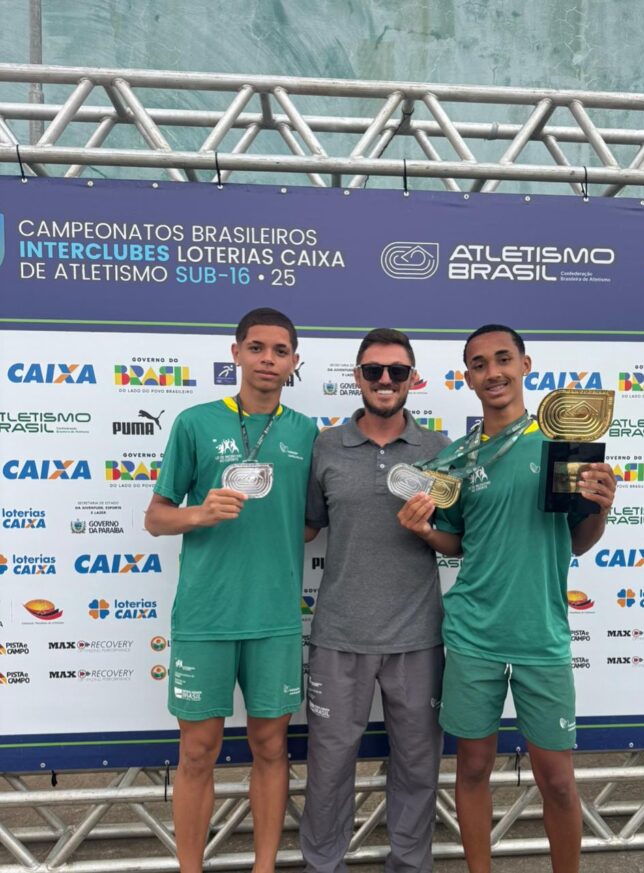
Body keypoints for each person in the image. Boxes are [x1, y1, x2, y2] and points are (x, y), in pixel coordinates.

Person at [397, 324, 616, 873]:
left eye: (502, 359)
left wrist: (603, 507)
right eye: (478, 363)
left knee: (559, 781)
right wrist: (424, 530)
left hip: (542, 633)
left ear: (525, 365)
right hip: (473, 634)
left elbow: (579, 541)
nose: (491, 372)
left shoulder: (564, 444)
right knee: (472, 769)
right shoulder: (454, 460)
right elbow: (455, 543)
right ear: (467, 377)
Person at [145, 308, 316, 873]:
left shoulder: (306, 432)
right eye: (259, 348)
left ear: (294, 361)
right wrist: (199, 512)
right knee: (197, 754)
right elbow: (156, 519)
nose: (269, 359)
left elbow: (311, 521)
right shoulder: (194, 422)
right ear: (236, 352)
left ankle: (264, 867)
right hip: (206, 617)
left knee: (271, 750)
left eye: (281, 350)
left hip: (274, 619)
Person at [301, 328, 450, 873]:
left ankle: (410, 865)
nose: (385, 381)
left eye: (397, 371)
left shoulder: (440, 450)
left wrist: (430, 531)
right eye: (373, 371)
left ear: (414, 378)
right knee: (330, 765)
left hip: (419, 639)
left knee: (416, 767)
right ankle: (323, 865)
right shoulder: (325, 446)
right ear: (357, 377)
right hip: (339, 636)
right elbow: (308, 528)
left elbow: (456, 539)